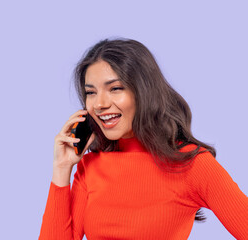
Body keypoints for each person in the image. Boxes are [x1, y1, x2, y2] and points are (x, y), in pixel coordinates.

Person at [38, 38, 248, 240]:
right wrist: (62, 169)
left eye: (115, 88)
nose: (99, 104)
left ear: (144, 92)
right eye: (91, 92)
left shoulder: (192, 164)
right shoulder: (89, 166)